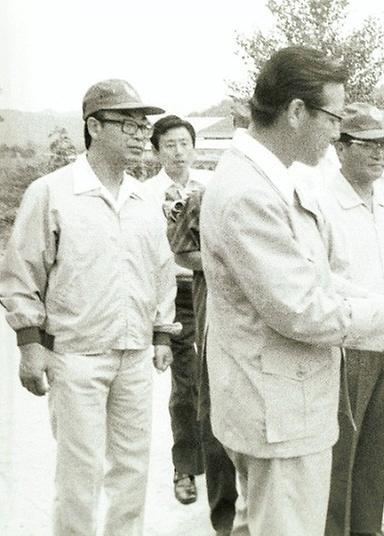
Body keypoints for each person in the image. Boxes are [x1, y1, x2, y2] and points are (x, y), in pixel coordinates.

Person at [199, 46, 384, 535]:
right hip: (278, 413)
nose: (337, 131)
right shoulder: (251, 193)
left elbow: (314, 276)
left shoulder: (273, 179)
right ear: (295, 112)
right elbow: (302, 309)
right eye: (332, 118)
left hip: (281, 404)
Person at [0, 79, 178, 535]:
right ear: (94, 127)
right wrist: (28, 344)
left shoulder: (143, 200)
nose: (141, 135)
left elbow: (161, 272)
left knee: (132, 472)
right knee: (80, 475)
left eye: (144, 126)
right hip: (76, 357)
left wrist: (161, 333)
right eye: (129, 125)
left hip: (135, 356)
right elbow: (21, 274)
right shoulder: (52, 192)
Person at [319, 102, 384, 536]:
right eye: (368, 145)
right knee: (340, 453)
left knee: (378, 449)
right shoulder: (321, 199)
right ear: (341, 148)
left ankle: (367, 527)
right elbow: (323, 279)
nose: (380, 154)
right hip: (349, 344)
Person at [163, 165, 238, 533]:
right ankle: (224, 513)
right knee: (210, 406)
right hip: (209, 313)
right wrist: (231, 263)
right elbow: (180, 250)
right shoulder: (207, 195)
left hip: (266, 323)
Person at [144, 114, 211, 504]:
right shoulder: (145, 194)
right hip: (173, 295)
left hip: (211, 289)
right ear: (156, 151)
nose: (178, 151)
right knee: (185, 384)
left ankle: (225, 465)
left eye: (184, 143)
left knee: (219, 378)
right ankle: (185, 466)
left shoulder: (213, 187)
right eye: (169, 144)